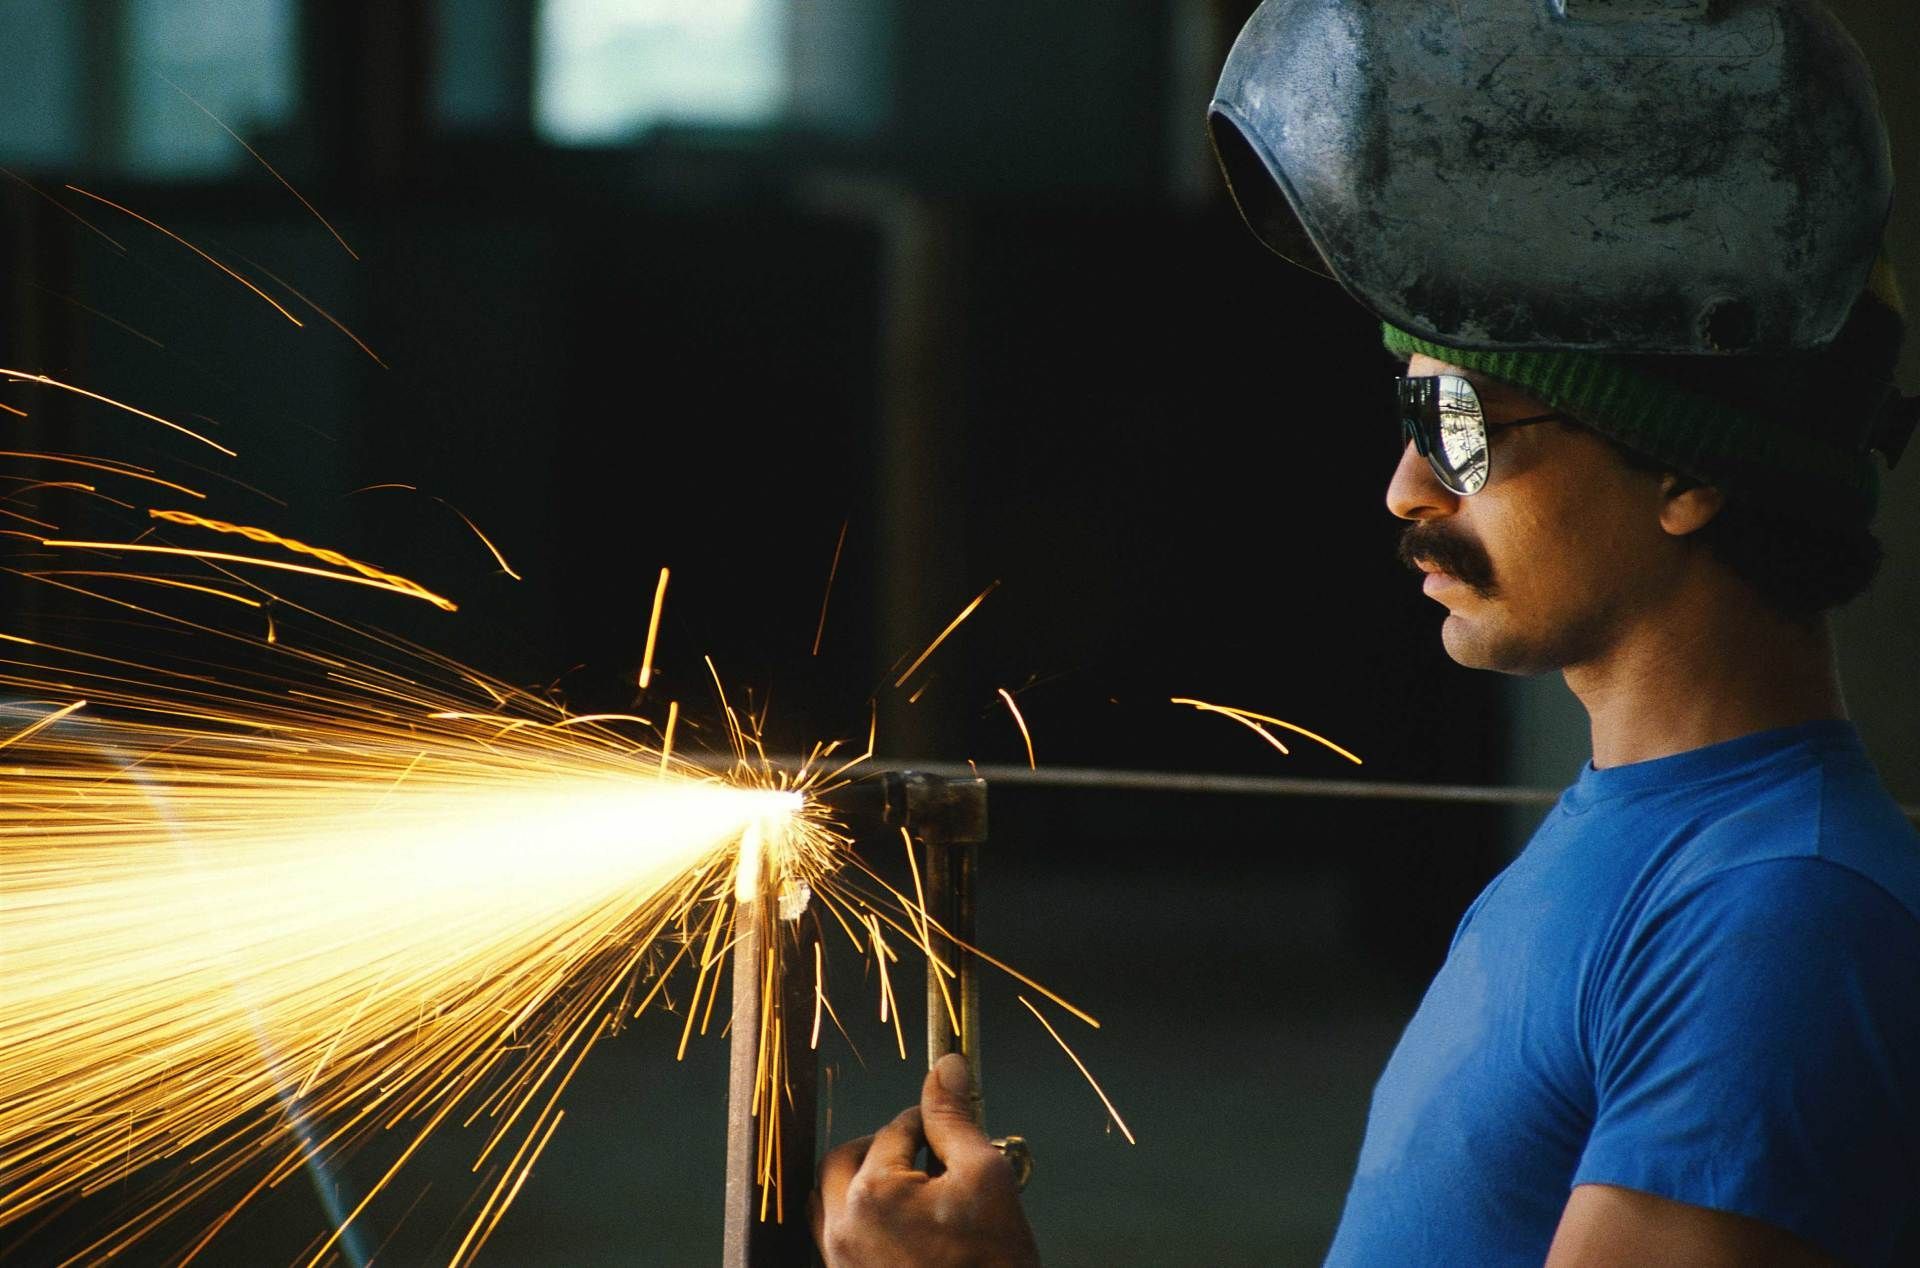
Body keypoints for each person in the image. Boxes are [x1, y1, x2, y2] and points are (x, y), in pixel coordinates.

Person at [812, 1, 1920, 1262]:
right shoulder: (1638, 839)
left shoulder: (1777, 928)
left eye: (1461, 422)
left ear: (1687, 470)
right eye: (1411, 408)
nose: (1406, 488)